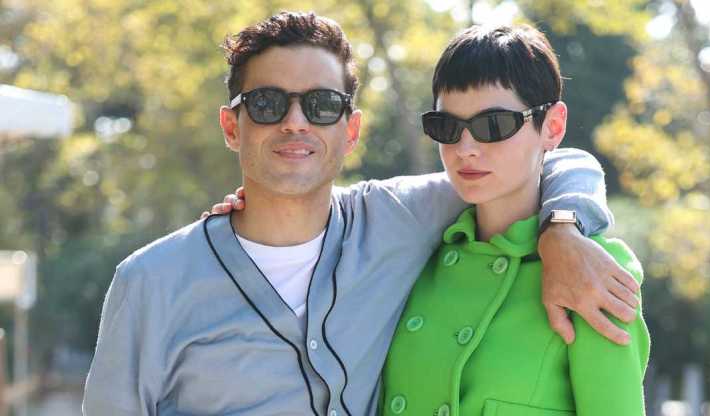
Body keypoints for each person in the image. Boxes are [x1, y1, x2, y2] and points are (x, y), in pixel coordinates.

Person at [83, 12, 639, 416]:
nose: (295, 123)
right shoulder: (150, 284)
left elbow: (549, 158)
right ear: (232, 126)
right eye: (267, 104)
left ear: (351, 130)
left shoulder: (400, 219)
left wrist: (562, 229)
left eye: (322, 105)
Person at [379, 24, 650, 416]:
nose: (465, 149)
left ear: (553, 126)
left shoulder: (593, 273)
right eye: (447, 127)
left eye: (493, 125)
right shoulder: (416, 255)